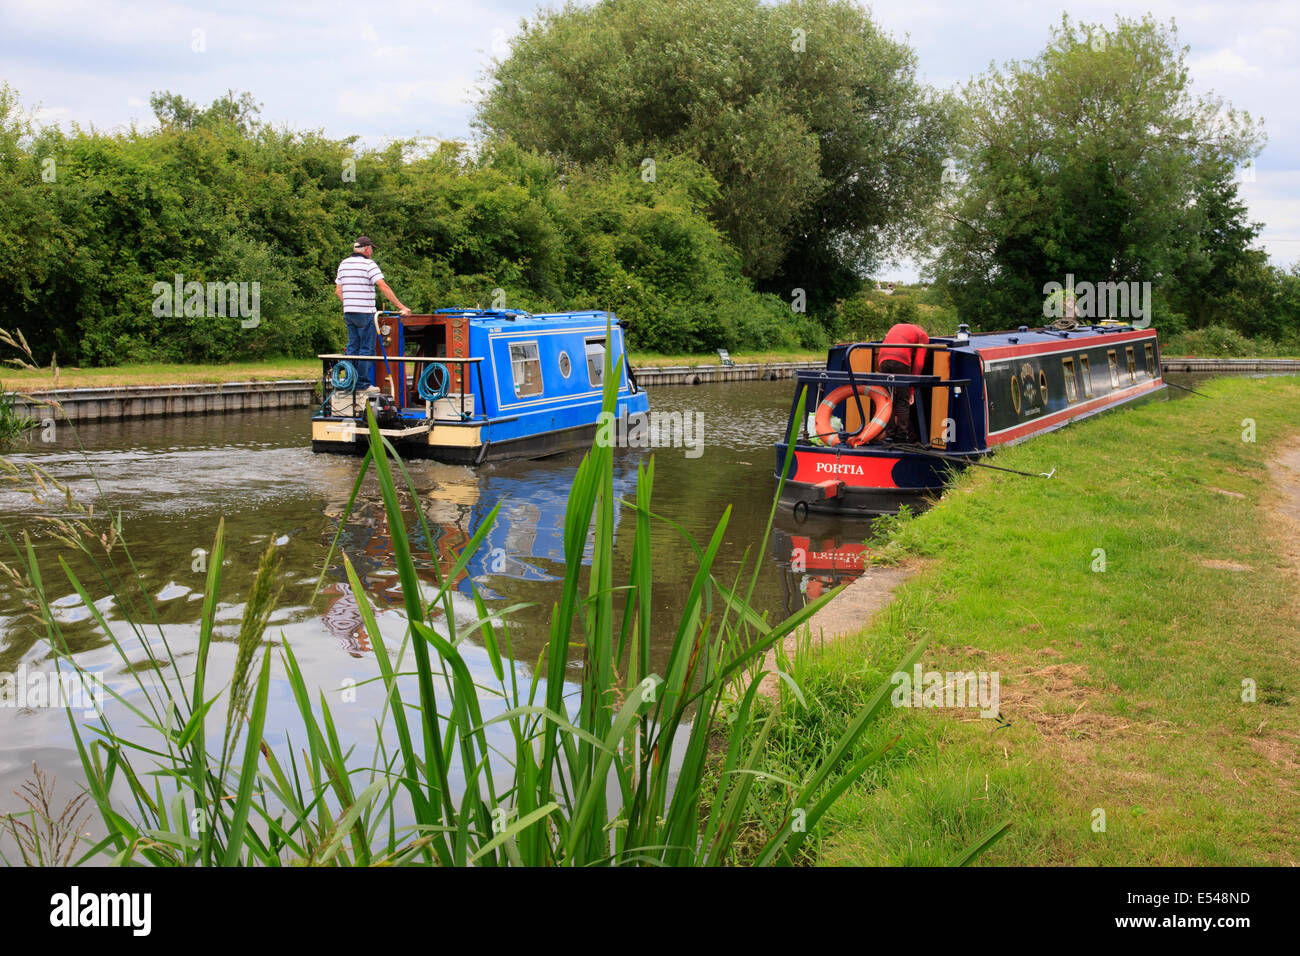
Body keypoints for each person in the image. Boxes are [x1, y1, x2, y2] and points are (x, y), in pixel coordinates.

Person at [334, 236, 410, 386]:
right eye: (372, 249)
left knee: (352, 347)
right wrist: (401, 307)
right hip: (365, 313)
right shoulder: (369, 264)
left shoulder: (343, 264)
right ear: (367, 249)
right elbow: (383, 286)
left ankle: (350, 382)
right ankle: (362, 383)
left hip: (349, 312)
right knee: (367, 349)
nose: (372, 252)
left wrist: (350, 303)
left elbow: (338, 291)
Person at [876, 322, 929, 442]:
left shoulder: (896, 326)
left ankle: (889, 434)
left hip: (883, 359)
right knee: (902, 400)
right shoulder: (923, 335)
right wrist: (911, 390)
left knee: (888, 399)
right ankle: (902, 436)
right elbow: (919, 364)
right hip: (901, 360)